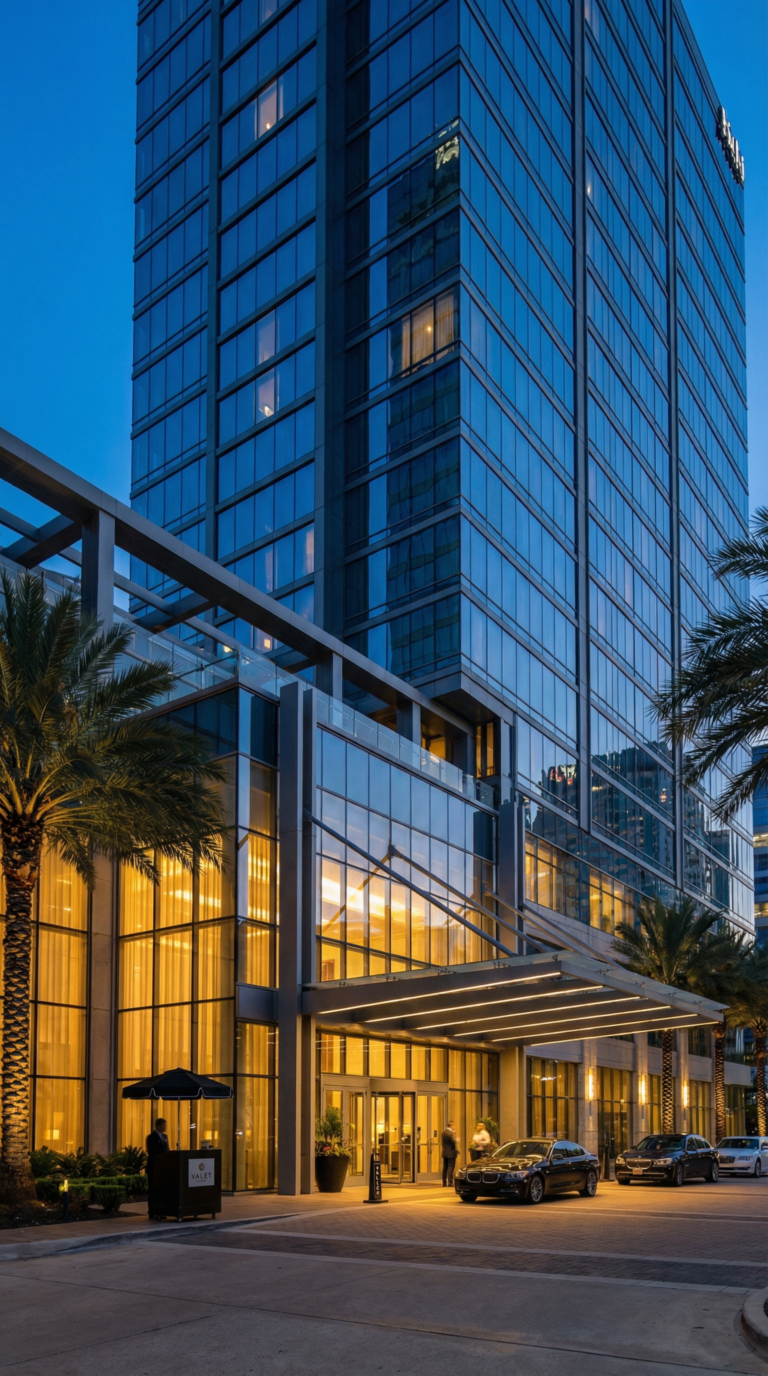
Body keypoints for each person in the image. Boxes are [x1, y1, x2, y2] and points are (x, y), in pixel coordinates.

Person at [145, 1117, 169, 1218]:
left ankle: (161, 1211)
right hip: (154, 1168)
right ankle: (152, 1212)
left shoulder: (165, 1137)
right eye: (163, 1125)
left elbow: (167, 1150)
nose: (165, 1127)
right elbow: (152, 1152)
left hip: (163, 1169)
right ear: (158, 1126)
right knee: (153, 1190)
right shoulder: (151, 1137)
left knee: (162, 1190)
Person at [441, 1121, 459, 1187]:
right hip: (451, 1152)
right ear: (451, 1125)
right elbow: (455, 1141)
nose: (454, 1127)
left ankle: (444, 1182)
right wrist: (455, 1134)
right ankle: (450, 1182)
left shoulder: (443, 1133)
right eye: (453, 1125)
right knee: (450, 1167)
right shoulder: (451, 1133)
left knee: (445, 1167)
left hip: (445, 1152)